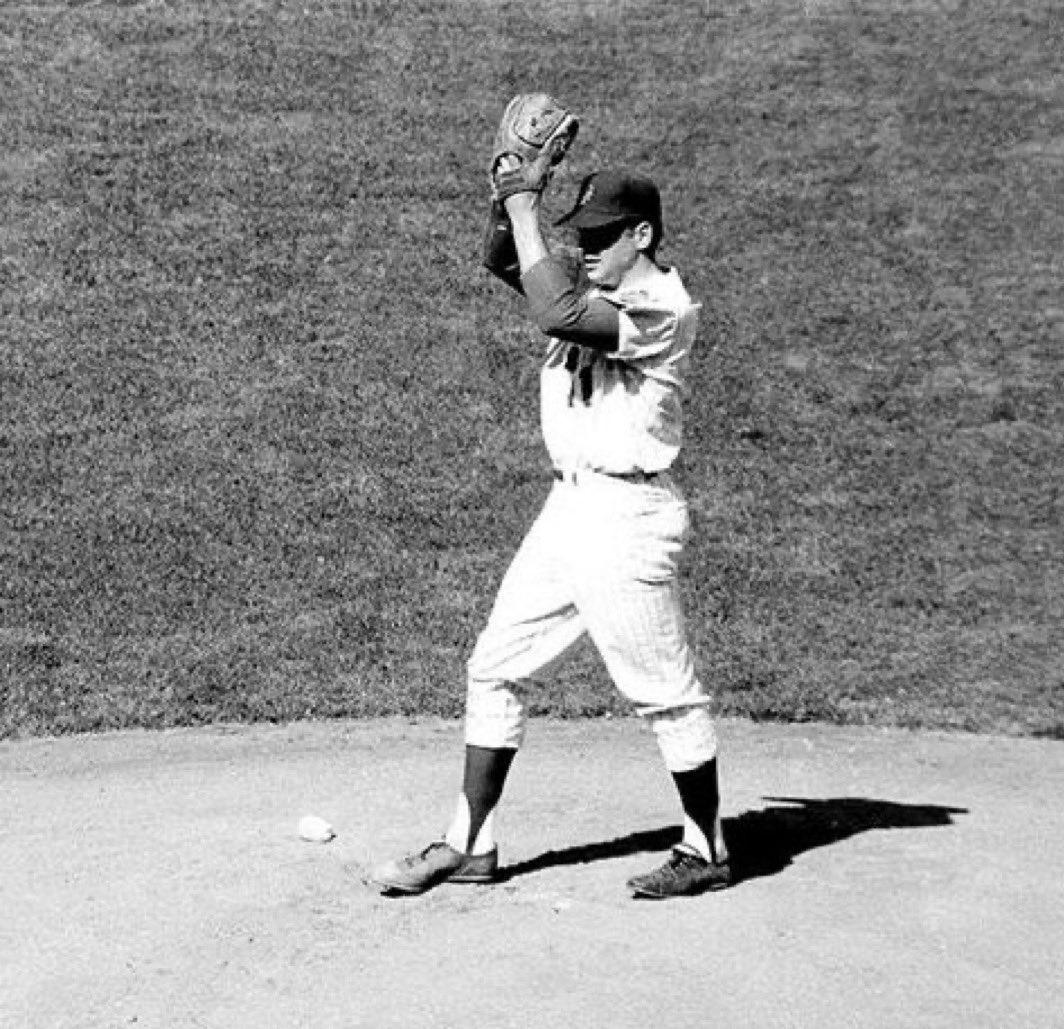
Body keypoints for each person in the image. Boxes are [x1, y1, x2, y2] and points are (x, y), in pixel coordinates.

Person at [370, 167, 731, 899]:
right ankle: (470, 843)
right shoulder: (598, 281)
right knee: (494, 666)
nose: (586, 245)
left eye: (601, 235)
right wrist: (505, 197)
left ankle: (708, 844)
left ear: (643, 235)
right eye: (580, 234)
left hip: (627, 519)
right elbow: (506, 262)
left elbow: (558, 313)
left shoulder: (664, 305)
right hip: (568, 511)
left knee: (665, 692)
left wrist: (528, 206)